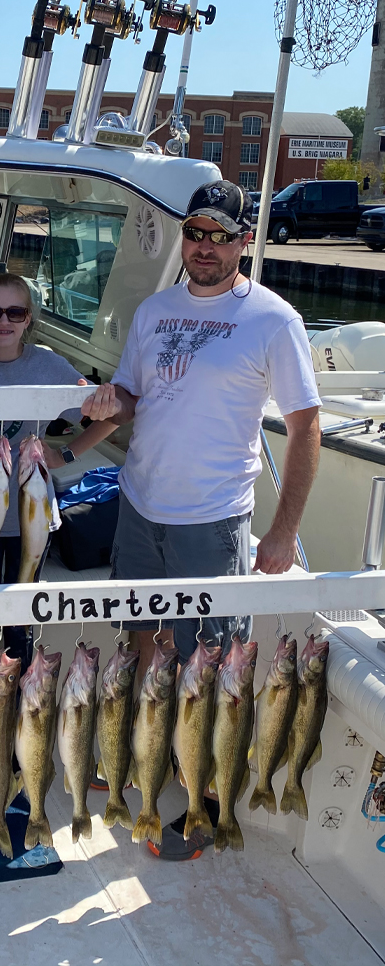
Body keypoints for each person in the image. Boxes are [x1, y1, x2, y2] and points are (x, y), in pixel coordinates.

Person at [81, 179, 321, 861]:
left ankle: (204, 805)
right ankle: (142, 769)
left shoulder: (273, 319)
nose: (206, 247)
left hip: (212, 520)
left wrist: (282, 530)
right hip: (140, 505)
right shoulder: (155, 311)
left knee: (209, 666)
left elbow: (306, 428)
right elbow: (131, 397)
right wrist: (100, 407)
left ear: (245, 241)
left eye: (221, 235)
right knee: (145, 646)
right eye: (196, 232)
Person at [0, 272, 117, 664]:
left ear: (29, 317)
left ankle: (18, 698)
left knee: (20, 617)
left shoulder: (50, 366)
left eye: (15, 312)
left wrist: (66, 454)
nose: (4, 321)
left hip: (28, 516)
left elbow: (113, 415)